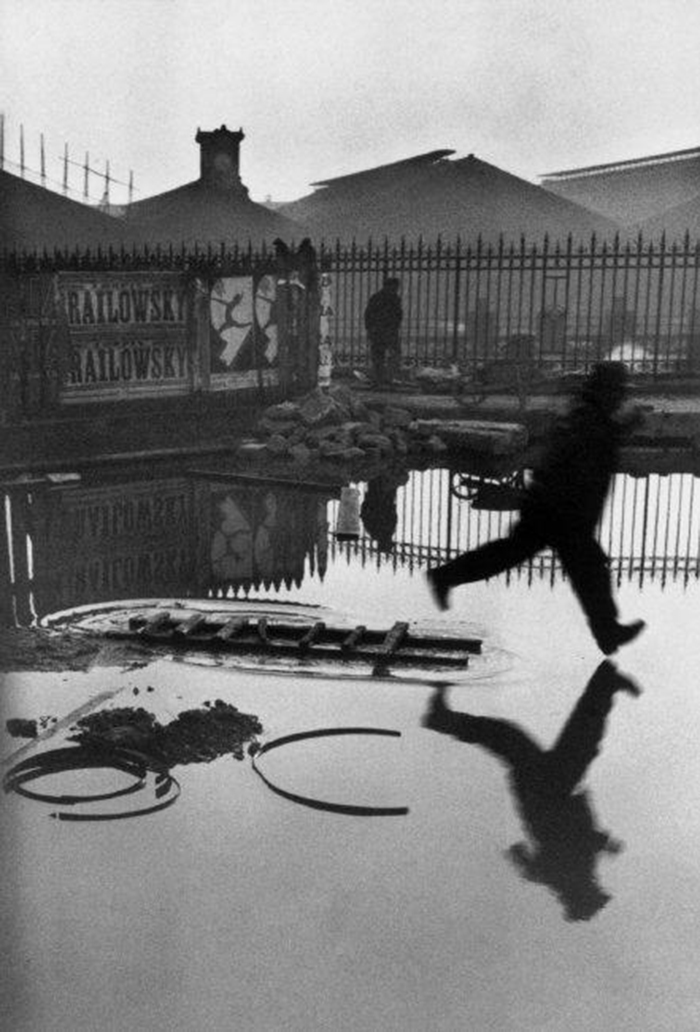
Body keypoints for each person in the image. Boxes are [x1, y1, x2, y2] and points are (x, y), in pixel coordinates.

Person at [426, 362, 645, 655]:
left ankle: (446, 576)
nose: (620, 397)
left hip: (555, 508)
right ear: (606, 391)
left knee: (519, 555)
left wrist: (620, 427)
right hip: (560, 511)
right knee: (588, 569)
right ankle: (607, 631)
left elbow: (592, 442)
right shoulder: (588, 419)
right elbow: (586, 450)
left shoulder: (588, 413)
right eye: (617, 391)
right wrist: (622, 427)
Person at [422, 660, 640, 921]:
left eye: (595, 892)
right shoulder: (565, 876)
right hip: (550, 791)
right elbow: (531, 859)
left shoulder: (569, 875)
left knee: (535, 739)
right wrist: (601, 845)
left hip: (546, 793)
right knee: (574, 738)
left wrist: (604, 844)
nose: (598, 886)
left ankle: (606, 682)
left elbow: (570, 846)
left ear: (584, 893)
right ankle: (606, 683)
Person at [364, 277, 402, 386]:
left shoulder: (377, 298)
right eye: (395, 286)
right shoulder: (392, 298)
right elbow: (397, 315)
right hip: (386, 331)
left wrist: (370, 329)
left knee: (379, 356)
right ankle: (386, 378)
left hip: (380, 331)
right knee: (389, 355)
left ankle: (380, 378)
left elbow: (368, 315)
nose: (396, 289)